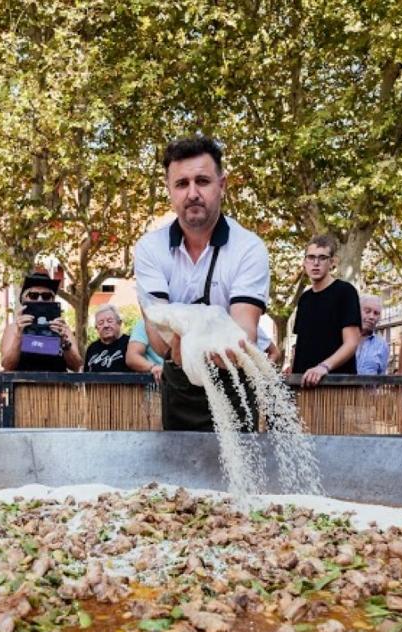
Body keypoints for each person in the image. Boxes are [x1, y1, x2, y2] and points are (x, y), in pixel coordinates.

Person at [135, 135, 270, 431]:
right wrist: (187, 349)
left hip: (233, 382)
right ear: (169, 190)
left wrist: (222, 349)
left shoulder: (248, 247)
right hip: (179, 388)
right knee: (179, 475)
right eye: (182, 184)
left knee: (239, 474)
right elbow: (158, 336)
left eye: (203, 181)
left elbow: (243, 330)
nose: (193, 193)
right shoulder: (149, 249)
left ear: (222, 185)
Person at [284, 235, 361, 387]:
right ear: (304, 262)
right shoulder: (304, 299)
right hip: (304, 386)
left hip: (337, 386)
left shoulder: (345, 292)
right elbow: (299, 347)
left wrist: (323, 367)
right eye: (311, 257)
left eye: (322, 258)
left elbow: (352, 343)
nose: (316, 263)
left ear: (332, 262)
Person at [0, 272, 82, 371]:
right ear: (24, 299)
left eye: (46, 296)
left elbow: (77, 366)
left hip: (57, 385)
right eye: (33, 295)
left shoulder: (62, 328)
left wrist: (65, 343)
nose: (40, 299)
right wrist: (18, 336)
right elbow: (7, 366)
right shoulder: (13, 328)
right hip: (24, 384)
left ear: (53, 300)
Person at [84, 304, 130, 372]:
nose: (106, 325)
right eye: (101, 323)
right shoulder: (92, 348)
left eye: (110, 321)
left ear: (119, 323)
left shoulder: (130, 344)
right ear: (96, 328)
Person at [356, 295, 390, 375]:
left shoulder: (382, 345)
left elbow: (380, 379)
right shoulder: (341, 337)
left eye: (376, 313)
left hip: (368, 388)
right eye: (367, 311)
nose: (372, 317)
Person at [126, 318, 165, 382]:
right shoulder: (143, 324)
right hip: (155, 383)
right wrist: (153, 367)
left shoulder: (184, 322)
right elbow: (131, 357)